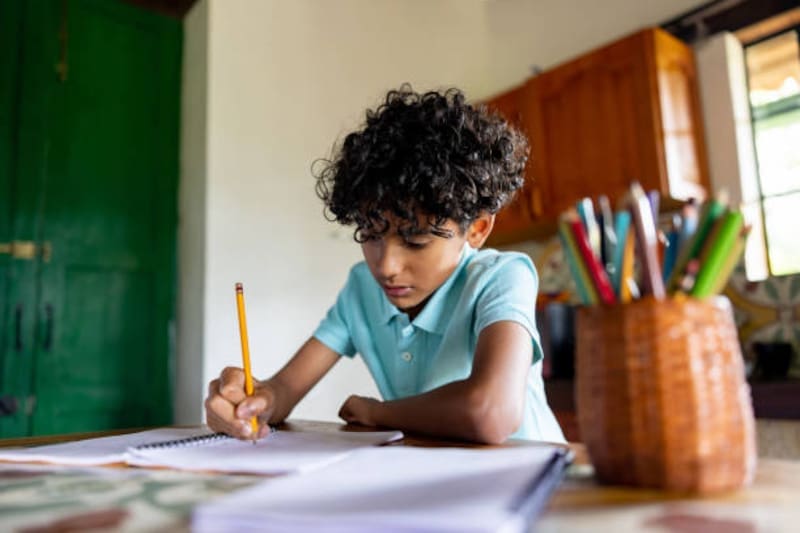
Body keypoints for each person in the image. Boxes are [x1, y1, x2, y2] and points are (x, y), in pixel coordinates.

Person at [205, 86, 565, 444]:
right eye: (371, 235)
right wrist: (254, 402)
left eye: (415, 241)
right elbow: (284, 389)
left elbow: (490, 412)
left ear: (477, 229)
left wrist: (378, 413)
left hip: (535, 482)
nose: (387, 266)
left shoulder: (502, 277)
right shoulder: (363, 287)